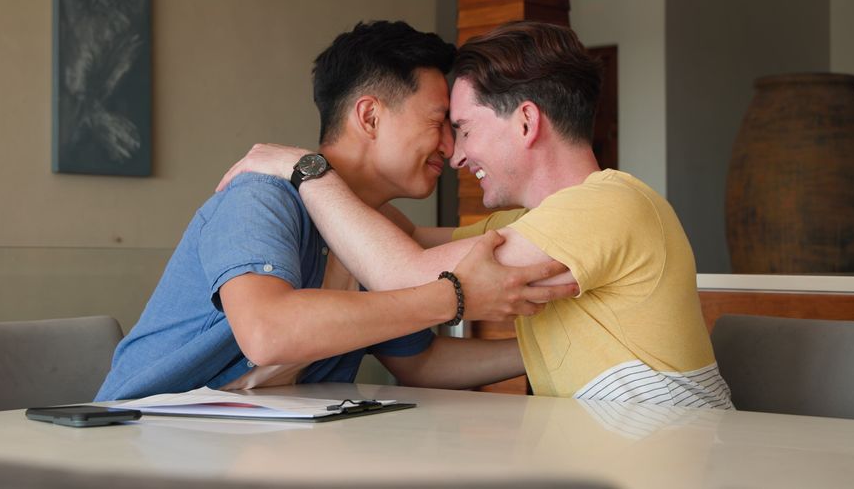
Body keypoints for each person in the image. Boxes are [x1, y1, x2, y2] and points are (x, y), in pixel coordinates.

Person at [220, 21, 733, 408]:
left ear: (526, 122)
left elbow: (403, 273)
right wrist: (346, 173)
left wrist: (303, 168)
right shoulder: (533, 224)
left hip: (675, 465)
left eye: (464, 128)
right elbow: (405, 238)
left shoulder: (607, 206)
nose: (457, 155)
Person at [96, 21, 576, 402]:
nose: (451, 150)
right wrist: (453, 296)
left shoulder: (376, 232)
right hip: (141, 434)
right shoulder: (261, 197)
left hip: (256, 442)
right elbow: (267, 331)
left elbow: (421, 362)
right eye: (438, 123)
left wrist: (553, 349)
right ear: (369, 116)